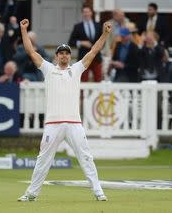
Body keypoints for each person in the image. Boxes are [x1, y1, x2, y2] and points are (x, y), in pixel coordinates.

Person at [17, 19, 112, 202]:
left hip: (74, 124)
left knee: (85, 157)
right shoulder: (48, 69)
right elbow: (30, 51)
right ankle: (32, 194)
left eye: (67, 54)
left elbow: (94, 51)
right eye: (61, 53)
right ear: (56, 56)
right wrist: (23, 30)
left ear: (70, 56)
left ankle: (98, 191)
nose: (64, 56)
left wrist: (105, 34)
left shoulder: (76, 69)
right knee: (43, 160)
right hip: (53, 124)